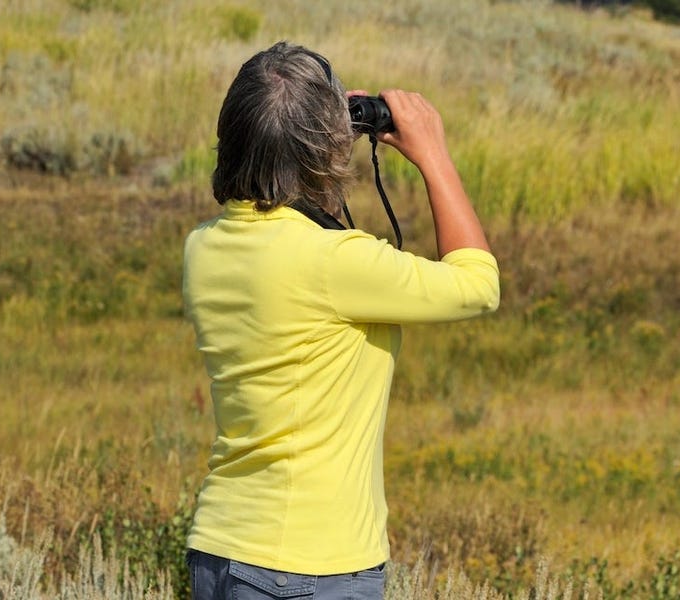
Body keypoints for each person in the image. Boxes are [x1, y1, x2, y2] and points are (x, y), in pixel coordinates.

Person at [181, 41, 500, 600]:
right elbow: (479, 285)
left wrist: (314, 139)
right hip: (311, 566)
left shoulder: (203, 246)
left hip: (222, 551)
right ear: (325, 145)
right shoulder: (333, 261)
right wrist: (433, 154)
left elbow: (291, 229)